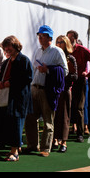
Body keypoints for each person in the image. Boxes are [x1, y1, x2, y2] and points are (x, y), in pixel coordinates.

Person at [25, 25, 68, 157]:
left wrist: (48, 70)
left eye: (42, 35)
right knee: (31, 118)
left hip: (47, 90)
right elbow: (33, 68)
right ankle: (32, 145)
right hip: (35, 87)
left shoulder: (57, 51)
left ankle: (45, 148)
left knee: (48, 120)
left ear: (49, 37)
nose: (39, 38)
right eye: (39, 35)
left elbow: (64, 71)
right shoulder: (38, 51)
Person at [0, 36, 33, 161]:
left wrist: (10, 82)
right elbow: (1, 76)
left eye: (9, 46)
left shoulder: (23, 60)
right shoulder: (7, 62)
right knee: (10, 124)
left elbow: (28, 78)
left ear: (16, 46)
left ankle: (15, 152)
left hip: (19, 98)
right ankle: (14, 148)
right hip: (8, 97)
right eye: (5, 47)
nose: (7, 49)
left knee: (17, 123)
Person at [66, 30, 90, 142]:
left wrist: (88, 74)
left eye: (70, 37)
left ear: (75, 38)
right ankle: (64, 133)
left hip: (79, 81)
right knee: (67, 107)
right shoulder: (66, 50)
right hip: (68, 81)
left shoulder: (82, 50)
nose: (69, 40)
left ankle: (80, 133)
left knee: (79, 107)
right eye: (67, 37)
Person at [53, 35, 78, 152]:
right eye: (57, 42)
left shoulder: (71, 58)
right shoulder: (54, 56)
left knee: (64, 116)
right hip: (54, 90)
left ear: (66, 43)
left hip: (65, 89)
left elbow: (75, 76)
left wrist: (63, 75)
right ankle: (54, 139)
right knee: (53, 115)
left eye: (61, 42)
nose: (58, 43)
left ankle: (64, 141)